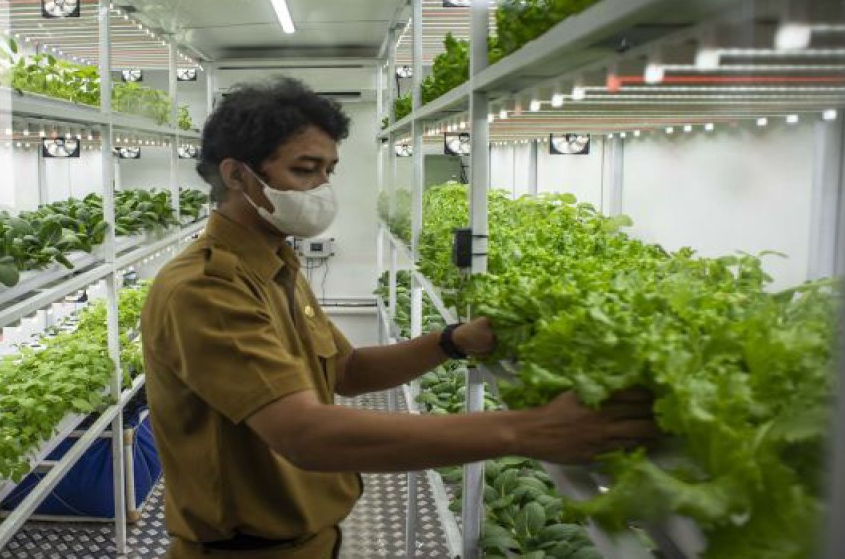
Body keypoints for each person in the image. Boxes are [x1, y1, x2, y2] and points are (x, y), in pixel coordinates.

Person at [141, 78, 659, 559]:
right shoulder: (207, 288)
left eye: (329, 170)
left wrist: (453, 341)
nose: (323, 187)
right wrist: (526, 431)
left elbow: (347, 371)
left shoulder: (278, 264)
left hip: (311, 542)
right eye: (305, 169)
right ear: (237, 175)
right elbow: (305, 434)